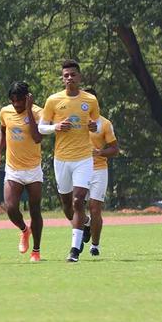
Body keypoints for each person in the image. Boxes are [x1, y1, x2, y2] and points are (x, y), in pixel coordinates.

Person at [39, 60, 101, 263]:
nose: (69, 78)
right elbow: (41, 127)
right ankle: (84, 225)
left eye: (73, 74)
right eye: (66, 75)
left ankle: (74, 251)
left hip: (83, 158)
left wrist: (94, 127)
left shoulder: (90, 99)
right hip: (61, 159)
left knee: (78, 200)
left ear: (79, 76)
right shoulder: (53, 100)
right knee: (67, 204)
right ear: (62, 78)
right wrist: (55, 127)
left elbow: (97, 124)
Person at [0, 82, 45, 261]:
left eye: (20, 101)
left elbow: (37, 138)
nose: (16, 105)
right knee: (11, 207)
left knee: (35, 209)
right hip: (13, 168)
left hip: (33, 169)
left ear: (28, 98)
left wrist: (29, 110)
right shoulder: (5, 111)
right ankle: (24, 230)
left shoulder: (38, 112)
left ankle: (36, 251)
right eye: (13, 101)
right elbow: (2, 130)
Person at [84, 88, 119, 257]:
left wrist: (100, 153)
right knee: (70, 204)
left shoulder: (104, 124)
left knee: (95, 209)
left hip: (98, 170)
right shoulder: (74, 121)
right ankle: (86, 223)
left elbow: (114, 149)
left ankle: (95, 245)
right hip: (78, 169)